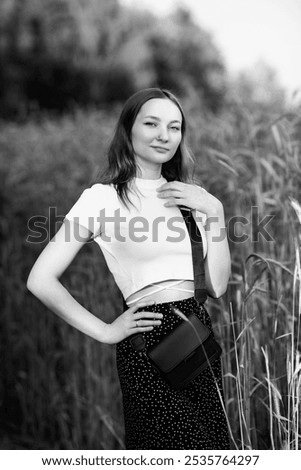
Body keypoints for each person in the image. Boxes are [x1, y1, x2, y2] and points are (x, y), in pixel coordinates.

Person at [27, 88, 231, 450]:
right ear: (129, 129)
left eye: (174, 126)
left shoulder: (193, 198)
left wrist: (214, 212)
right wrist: (106, 331)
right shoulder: (102, 198)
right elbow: (40, 280)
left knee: (211, 450)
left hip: (197, 336)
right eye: (151, 123)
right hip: (146, 340)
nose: (163, 135)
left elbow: (216, 286)